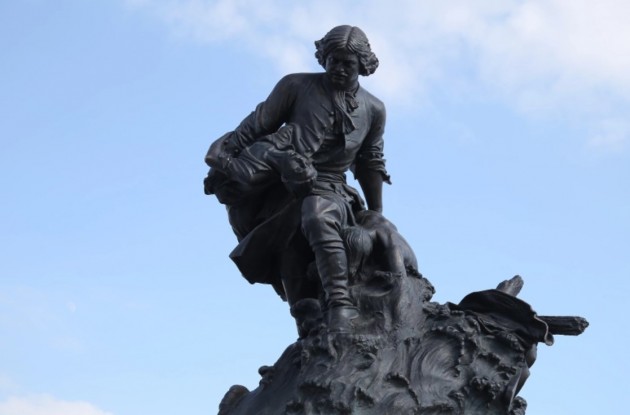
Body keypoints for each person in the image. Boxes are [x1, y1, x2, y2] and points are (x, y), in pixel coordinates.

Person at [205, 25, 390, 333]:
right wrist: (224, 161)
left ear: (363, 65)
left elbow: (370, 162)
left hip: (331, 187)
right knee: (289, 249)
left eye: (348, 63)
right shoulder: (295, 85)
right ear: (323, 57)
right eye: (333, 60)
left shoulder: (374, 109)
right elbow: (257, 125)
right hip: (283, 182)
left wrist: (376, 212)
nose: (339, 68)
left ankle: (340, 304)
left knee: (317, 212)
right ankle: (307, 322)